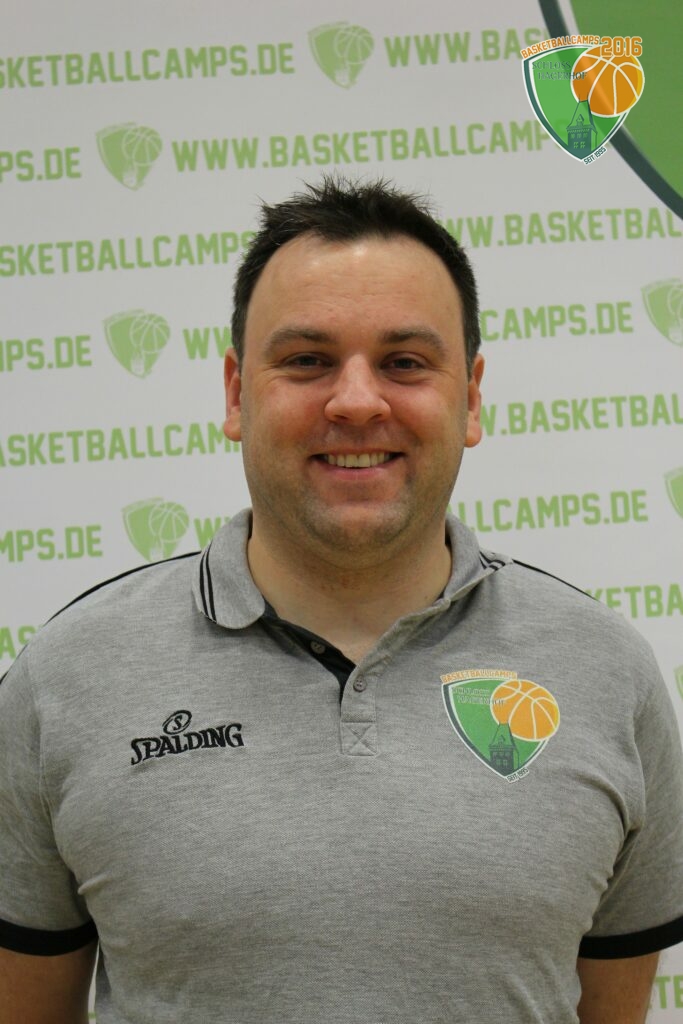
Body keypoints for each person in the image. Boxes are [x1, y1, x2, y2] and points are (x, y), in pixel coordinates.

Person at [1, 178, 682, 1024]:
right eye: (306, 361)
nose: (356, 400)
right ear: (235, 394)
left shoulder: (606, 674)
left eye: (404, 363)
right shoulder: (65, 679)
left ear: (470, 398)